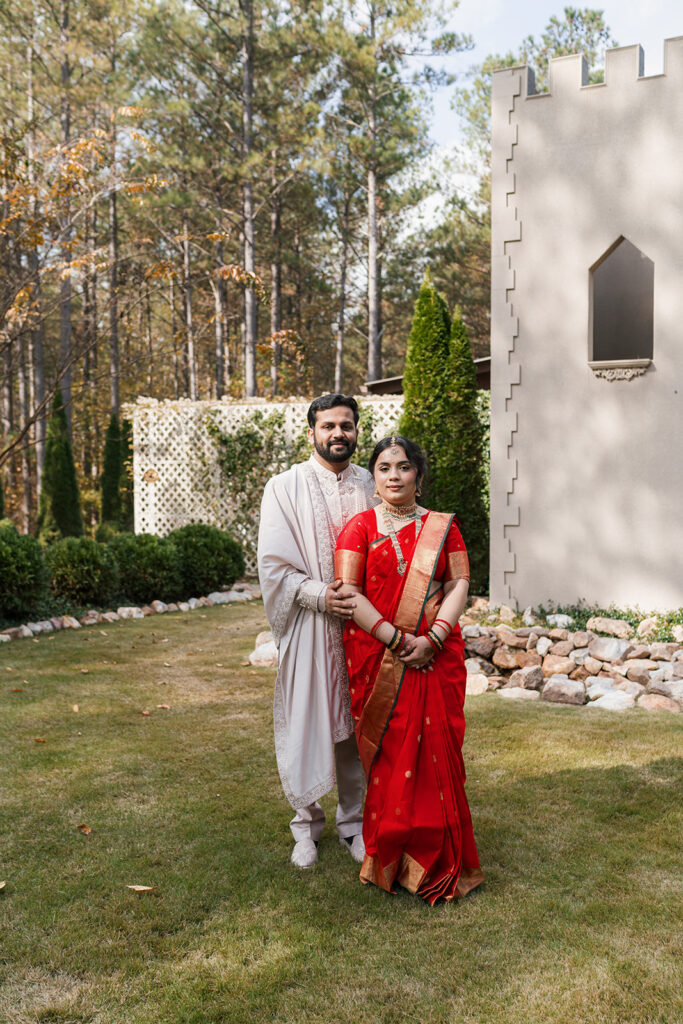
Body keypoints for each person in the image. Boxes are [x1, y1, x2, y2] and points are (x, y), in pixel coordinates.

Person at [334, 435, 484, 904]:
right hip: (381, 659)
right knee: (390, 755)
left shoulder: (443, 526)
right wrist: (396, 639)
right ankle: (391, 858)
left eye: (403, 467)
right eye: (383, 468)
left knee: (439, 752)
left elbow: (460, 582)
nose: (393, 476)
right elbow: (347, 594)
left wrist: (435, 636)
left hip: (437, 655)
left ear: (418, 475)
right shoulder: (358, 528)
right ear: (373, 477)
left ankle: (440, 858)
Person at [257, 394, 376, 869]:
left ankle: (354, 822)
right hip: (310, 621)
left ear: (356, 431)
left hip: (364, 626)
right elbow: (273, 564)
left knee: (356, 727)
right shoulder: (284, 487)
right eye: (328, 426)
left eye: (346, 425)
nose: (338, 434)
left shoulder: (373, 482)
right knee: (308, 720)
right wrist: (320, 595)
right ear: (311, 433)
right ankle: (305, 826)